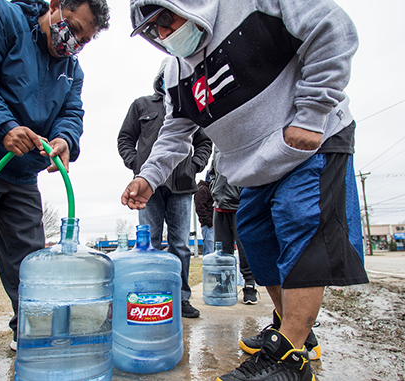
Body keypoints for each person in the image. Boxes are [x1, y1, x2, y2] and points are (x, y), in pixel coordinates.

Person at [121, 1, 368, 380]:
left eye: (167, 19)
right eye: (155, 31)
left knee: (300, 227)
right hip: (255, 167)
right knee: (255, 238)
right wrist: (148, 177)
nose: (166, 34)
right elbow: (175, 133)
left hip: (308, 142)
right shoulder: (175, 72)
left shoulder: (250, 5)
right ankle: (295, 327)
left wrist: (312, 112)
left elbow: (332, 28)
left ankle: (288, 358)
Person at [0, 0, 110, 379]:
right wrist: (2, 125)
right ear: (56, 5)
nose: (73, 43)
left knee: (30, 258)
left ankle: (30, 327)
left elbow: (71, 113)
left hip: (24, 170)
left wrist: (64, 139)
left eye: (84, 40)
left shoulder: (71, 70)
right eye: (73, 28)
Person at [117, 58, 212, 319]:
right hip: (148, 187)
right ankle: (150, 298)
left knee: (180, 245)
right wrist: (137, 164)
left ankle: (181, 298)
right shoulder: (141, 105)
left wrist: (194, 166)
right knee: (150, 243)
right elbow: (125, 138)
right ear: (160, 79)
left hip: (181, 186)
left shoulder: (190, 104)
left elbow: (205, 142)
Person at [208, 146, 258, 304]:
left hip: (239, 206)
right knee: (221, 250)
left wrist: (242, 193)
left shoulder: (241, 143)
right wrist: (214, 190)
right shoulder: (217, 148)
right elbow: (212, 173)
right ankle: (224, 285)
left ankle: (249, 286)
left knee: (244, 249)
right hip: (219, 206)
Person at [194, 172, 214, 256]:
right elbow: (200, 208)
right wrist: (209, 223)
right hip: (209, 226)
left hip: (213, 225)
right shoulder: (203, 189)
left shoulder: (211, 190)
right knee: (210, 252)